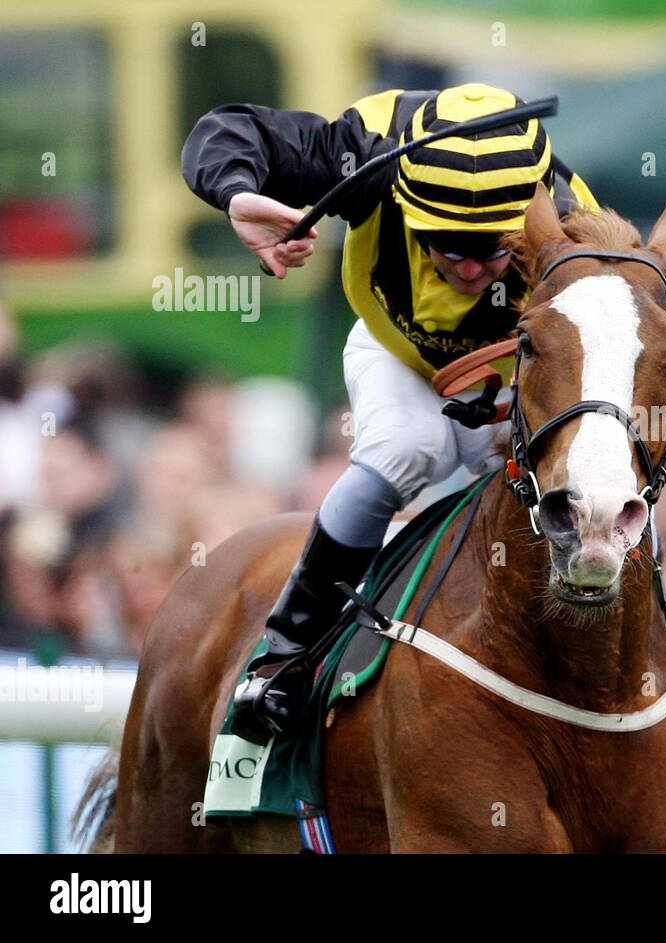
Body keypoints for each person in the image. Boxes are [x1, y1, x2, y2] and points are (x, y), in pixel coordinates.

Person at [182, 83, 602, 743]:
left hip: (515, 373)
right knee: (401, 450)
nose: (468, 268)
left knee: (598, 475)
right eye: (444, 244)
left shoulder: (576, 219)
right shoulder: (369, 162)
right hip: (396, 354)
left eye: (493, 249)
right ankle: (283, 655)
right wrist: (236, 194)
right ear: (406, 204)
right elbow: (228, 129)